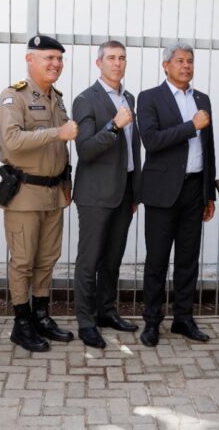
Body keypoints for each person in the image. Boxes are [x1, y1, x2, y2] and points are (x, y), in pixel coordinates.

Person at [0, 34, 76, 352]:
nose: (56, 64)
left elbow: (61, 149)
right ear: (31, 60)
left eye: (59, 59)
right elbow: (12, 140)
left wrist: (67, 181)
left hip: (53, 192)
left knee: (47, 259)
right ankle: (21, 322)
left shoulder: (56, 98)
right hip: (25, 193)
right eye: (49, 58)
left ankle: (42, 316)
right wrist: (58, 132)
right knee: (23, 261)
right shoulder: (12, 97)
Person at [137, 42, 216, 347]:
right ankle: (152, 321)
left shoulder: (202, 99)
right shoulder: (149, 98)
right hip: (161, 193)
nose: (186, 66)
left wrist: (209, 194)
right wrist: (190, 126)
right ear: (165, 66)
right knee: (157, 260)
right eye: (180, 61)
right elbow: (152, 141)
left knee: (187, 259)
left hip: (194, 190)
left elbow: (207, 149)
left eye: (190, 61)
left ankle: (183, 318)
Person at [71, 40, 140, 349]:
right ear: (98, 63)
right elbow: (85, 150)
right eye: (111, 58)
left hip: (124, 193)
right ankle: (86, 322)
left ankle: (106, 312)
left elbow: (133, 149)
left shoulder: (130, 98)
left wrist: (135, 191)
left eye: (122, 57)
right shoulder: (86, 100)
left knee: (112, 259)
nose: (117, 63)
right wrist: (114, 125)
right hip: (95, 194)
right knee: (90, 261)